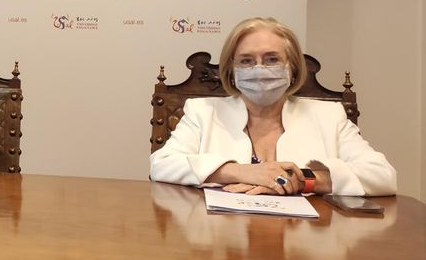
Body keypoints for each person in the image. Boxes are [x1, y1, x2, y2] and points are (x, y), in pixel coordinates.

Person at [149, 17, 395, 196]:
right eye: (246, 61)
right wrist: (240, 172)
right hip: (223, 247)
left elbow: (382, 176)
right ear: (232, 70)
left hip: (304, 251)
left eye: (272, 59)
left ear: (293, 67)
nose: (259, 69)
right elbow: (161, 164)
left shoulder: (328, 116)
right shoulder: (203, 112)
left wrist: (304, 181)